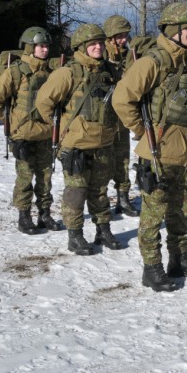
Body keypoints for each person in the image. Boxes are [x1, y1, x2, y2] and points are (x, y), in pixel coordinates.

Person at [112, 2, 187, 292]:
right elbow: (122, 99)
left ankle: (178, 258)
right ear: (172, 30)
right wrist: (142, 131)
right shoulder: (152, 62)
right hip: (156, 152)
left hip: (186, 149)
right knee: (154, 213)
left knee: (181, 211)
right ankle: (152, 267)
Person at [35, 24, 122, 255]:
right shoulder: (68, 73)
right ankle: (75, 236)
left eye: (101, 43)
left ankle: (103, 230)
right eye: (93, 43)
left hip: (104, 143)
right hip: (76, 146)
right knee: (76, 192)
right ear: (82, 47)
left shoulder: (109, 71)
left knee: (100, 191)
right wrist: (63, 128)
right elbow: (44, 103)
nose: (98, 47)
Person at [0, 27, 61, 234]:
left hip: (46, 133)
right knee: (25, 177)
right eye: (40, 46)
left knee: (45, 177)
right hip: (23, 135)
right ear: (29, 47)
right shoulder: (16, 71)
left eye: (46, 46)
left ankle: (45, 214)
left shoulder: (51, 73)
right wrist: (10, 122)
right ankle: (24, 216)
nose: (45, 50)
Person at [103, 15, 140, 217]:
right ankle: (99, 201)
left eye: (125, 35)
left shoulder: (131, 56)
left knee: (123, 158)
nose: (123, 39)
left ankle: (123, 199)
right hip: (102, 118)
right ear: (109, 37)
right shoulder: (99, 55)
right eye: (119, 36)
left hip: (122, 117)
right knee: (102, 161)